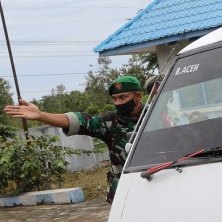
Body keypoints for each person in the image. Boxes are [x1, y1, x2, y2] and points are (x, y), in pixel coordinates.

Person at [3, 75, 146, 203]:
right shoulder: (109, 122)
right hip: (123, 188)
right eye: (115, 99)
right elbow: (79, 120)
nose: (118, 103)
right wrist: (41, 115)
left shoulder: (155, 114)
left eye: (123, 97)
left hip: (154, 179)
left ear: (138, 96)